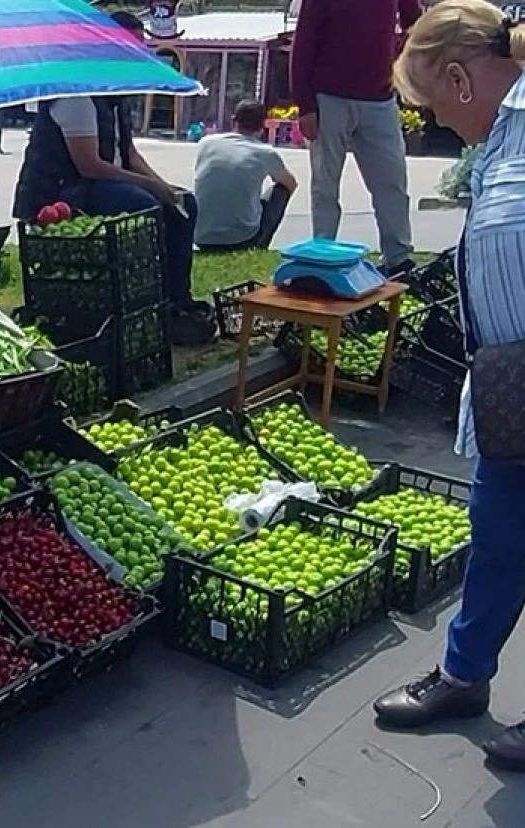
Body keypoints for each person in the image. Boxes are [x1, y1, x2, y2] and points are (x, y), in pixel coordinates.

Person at [370, 0, 525, 773]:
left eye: (432, 108)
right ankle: (464, 677)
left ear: (460, 78)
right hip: (511, 390)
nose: (438, 127)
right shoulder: (505, 133)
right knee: (498, 533)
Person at [11, 11, 215, 345]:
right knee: (143, 204)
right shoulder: (77, 95)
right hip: (67, 191)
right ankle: (147, 297)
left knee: (184, 203)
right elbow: (90, 165)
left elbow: (129, 154)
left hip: (102, 181)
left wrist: (165, 186)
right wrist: (152, 189)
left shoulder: (115, 95)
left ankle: (176, 299)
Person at [291, 0, 420, 275]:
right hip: (328, 95)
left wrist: (408, 65)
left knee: (392, 181)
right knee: (325, 185)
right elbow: (303, 42)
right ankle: (322, 254)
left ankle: (399, 258)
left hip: (380, 97)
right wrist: (305, 105)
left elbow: (415, 25)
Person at [194, 100, 298, 252]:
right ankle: (260, 245)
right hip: (242, 238)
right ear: (263, 126)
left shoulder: (206, 143)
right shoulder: (265, 153)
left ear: (233, 120)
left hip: (202, 237)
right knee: (280, 190)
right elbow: (291, 184)